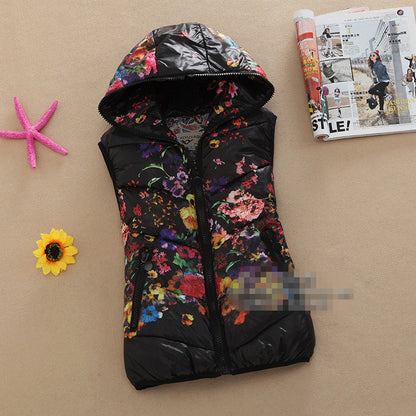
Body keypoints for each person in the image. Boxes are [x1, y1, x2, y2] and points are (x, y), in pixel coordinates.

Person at [367, 50, 390, 117]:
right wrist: (374, 82)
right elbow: (375, 76)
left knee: (370, 91)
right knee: (380, 97)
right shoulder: (373, 65)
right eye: (371, 55)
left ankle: (386, 95)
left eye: (373, 55)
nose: (372, 56)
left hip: (384, 81)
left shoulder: (379, 64)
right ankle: (381, 111)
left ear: (377, 56)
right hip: (380, 81)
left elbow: (380, 74)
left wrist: (375, 76)